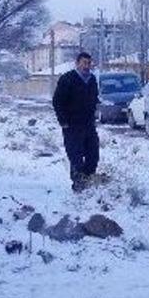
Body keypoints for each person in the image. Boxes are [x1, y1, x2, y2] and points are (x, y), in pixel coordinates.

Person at [52, 51, 100, 192]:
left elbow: (94, 98)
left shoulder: (92, 80)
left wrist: (95, 110)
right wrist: (63, 121)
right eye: (84, 63)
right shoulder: (68, 79)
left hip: (88, 125)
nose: (87, 66)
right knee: (76, 157)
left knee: (93, 155)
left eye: (89, 63)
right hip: (72, 125)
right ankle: (78, 186)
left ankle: (88, 181)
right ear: (77, 63)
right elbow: (57, 101)